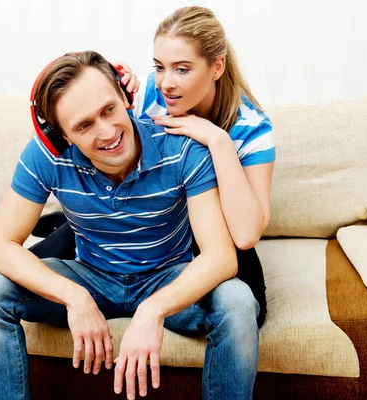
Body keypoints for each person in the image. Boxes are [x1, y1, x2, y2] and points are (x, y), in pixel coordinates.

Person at [0, 50, 259, 400]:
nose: (107, 133)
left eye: (109, 110)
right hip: (90, 275)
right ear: (62, 136)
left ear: (125, 97)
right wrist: (74, 297)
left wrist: (153, 310)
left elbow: (221, 258)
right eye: (84, 125)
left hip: (168, 275)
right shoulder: (46, 155)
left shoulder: (182, 149)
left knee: (238, 301)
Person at [30, 6, 276, 328]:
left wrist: (218, 142)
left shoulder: (254, 128)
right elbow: (92, 125)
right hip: (145, 215)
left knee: (250, 309)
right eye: (160, 67)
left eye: (182, 69)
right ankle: (67, 224)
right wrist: (113, 87)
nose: (167, 83)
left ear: (217, 67)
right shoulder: (146, 94)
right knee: (25, 272)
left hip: (207, 228)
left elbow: (245, 235)